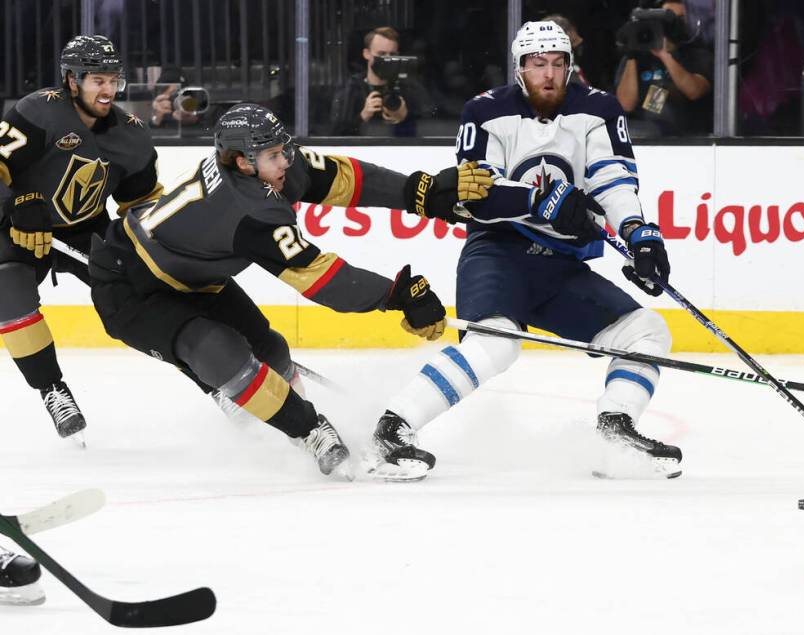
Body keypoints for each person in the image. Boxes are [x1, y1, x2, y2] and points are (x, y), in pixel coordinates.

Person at [87, 103, 492, 477]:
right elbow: (320, 279)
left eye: (285, 150)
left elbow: (347, 178)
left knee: (272, 352)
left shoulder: (272, 167)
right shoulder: (251, 210)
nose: (286, 161)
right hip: (130, 287)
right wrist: (396, 295)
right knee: (215, 347)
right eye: (274, 156)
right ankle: (308, 430)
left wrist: (419, 192)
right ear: (244, 163)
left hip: (193, 279)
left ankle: (267, 421)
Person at [364, 21, 680, 482]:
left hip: (561, 265)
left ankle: (617, 430)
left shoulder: (598, 109)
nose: (549, 74)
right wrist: (539, 200)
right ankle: (393, 428)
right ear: (520, 68)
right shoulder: (484, 111)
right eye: (538, 64)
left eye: (558, 63)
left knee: (647, 332)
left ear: (570, 66)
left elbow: (612, 179)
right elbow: (475, 190)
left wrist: (638, 234)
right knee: (496, 343)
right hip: (498, 251)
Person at [0, 35, 163, 441]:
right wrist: (21, 201)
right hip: (18, 225)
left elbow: (140, 204)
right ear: (72, 80)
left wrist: (156, 249)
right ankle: (52, 390)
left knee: (146, 300)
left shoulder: (132, 136)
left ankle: (212, 378)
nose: (108, 90)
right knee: (7, 291)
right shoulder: (38, 111)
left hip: (85, 229)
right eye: (97, 80)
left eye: (113, 80)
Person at [614, 0, 713, 136]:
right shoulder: (637, 58)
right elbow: (625, 104)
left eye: (679, 20)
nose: (672, 26)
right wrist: (633, 53)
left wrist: (665, 55)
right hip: (644, 135)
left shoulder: (698, 56)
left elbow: (694, 91)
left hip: (687, 139)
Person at [324, 26, 434, 136]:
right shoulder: (351, 89)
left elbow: (437, 123)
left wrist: (406, 116)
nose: (387, 59)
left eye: (392, 54)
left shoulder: (409, 87)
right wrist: (363, 116)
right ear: (366, 54)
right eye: (381, 54)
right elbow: (333, 136)